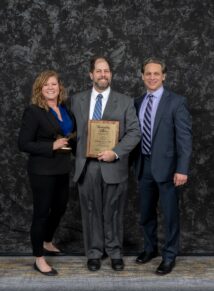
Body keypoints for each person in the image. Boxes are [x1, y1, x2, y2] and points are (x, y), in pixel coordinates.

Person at [70, 56, 141, 271]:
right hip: (87, 165)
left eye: (107, 71)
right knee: (90, 210)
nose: (103, 74)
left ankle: (115, 252)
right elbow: (71, 131)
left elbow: (135, 132)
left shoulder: (125, 101)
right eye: (99, 71)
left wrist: (116, 152)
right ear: (91, 74)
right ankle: (94, 252)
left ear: (111, 74)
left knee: (114, 211)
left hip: (113, 165)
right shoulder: (76, 100)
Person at [134, 57, 192, 275]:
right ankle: (150, 248)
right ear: (142, 76)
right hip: (144, 165)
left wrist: (182, 168)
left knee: (170, 215)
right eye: (148, 73)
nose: (152, 77)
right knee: (146, 213)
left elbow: (185, 139)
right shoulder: (138, 102)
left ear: (164, 76)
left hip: (169, 169)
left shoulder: (176, 102)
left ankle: (169, 256)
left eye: (156, 73)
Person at [18, 70, 76, 276]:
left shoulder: (63, 109)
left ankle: (47, 240)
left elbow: (69, 136)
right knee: (42, 213)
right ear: (39, 89)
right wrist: (51, 146)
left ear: (60, 87)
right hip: (42, 170)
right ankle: (39, 258)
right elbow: (23, 143)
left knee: (60, 208)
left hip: (62, 168)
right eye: (46, 85)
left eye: (54, 84)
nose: (51, 88)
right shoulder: (33, 111)